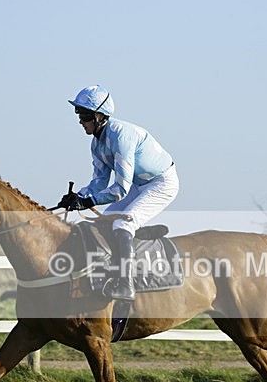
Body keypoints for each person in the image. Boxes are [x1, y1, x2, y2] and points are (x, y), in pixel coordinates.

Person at [59, 85, 179, 301]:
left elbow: (120, 190)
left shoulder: (121, 136)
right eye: (79, 114)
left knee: (123, 224)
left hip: (161, 184)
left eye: (84, 115)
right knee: (103, 222)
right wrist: (78, 196)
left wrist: (88, 202)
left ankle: (126, 285)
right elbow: (99, 182)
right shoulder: (96, 144)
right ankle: (112, 268)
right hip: (139, 185)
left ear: (99, 116)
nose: (80, 121)